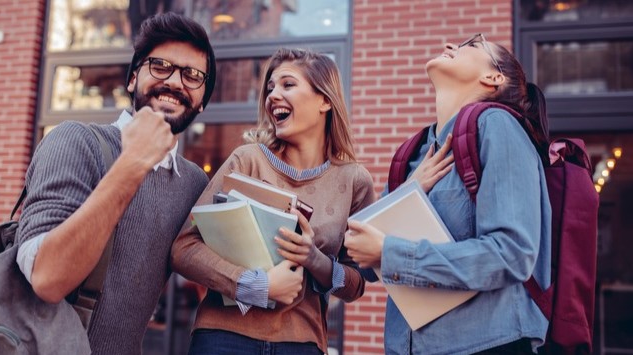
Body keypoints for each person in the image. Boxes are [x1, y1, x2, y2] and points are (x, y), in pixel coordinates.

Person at [15, 13, 216, 354]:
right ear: (133, 78)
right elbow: (46, 278)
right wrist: (134, 161)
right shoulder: (75, 141)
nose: (176, 82)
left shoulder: (194, 182)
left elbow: (210, 277)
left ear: (202, 101)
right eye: (161, 65)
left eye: (193, 75)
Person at [345, 33, 553, 354]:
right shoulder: (415, 151)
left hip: (487, 345)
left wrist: (392, 254)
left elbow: (513, 253)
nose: (450, 46)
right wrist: (411, 189)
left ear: (493, 77)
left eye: (471, 45)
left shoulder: (497, 125)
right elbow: (359, 253)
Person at [170, 48, 376, 355]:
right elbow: (184, 249)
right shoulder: (247, 160)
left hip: (301, 342)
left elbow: (357, 283)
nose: (273, 96)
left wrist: (315, 260)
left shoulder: (354, 181)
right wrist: (254, 285)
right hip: (225, 337)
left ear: (324, 101)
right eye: (270, 88)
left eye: (288, 85)